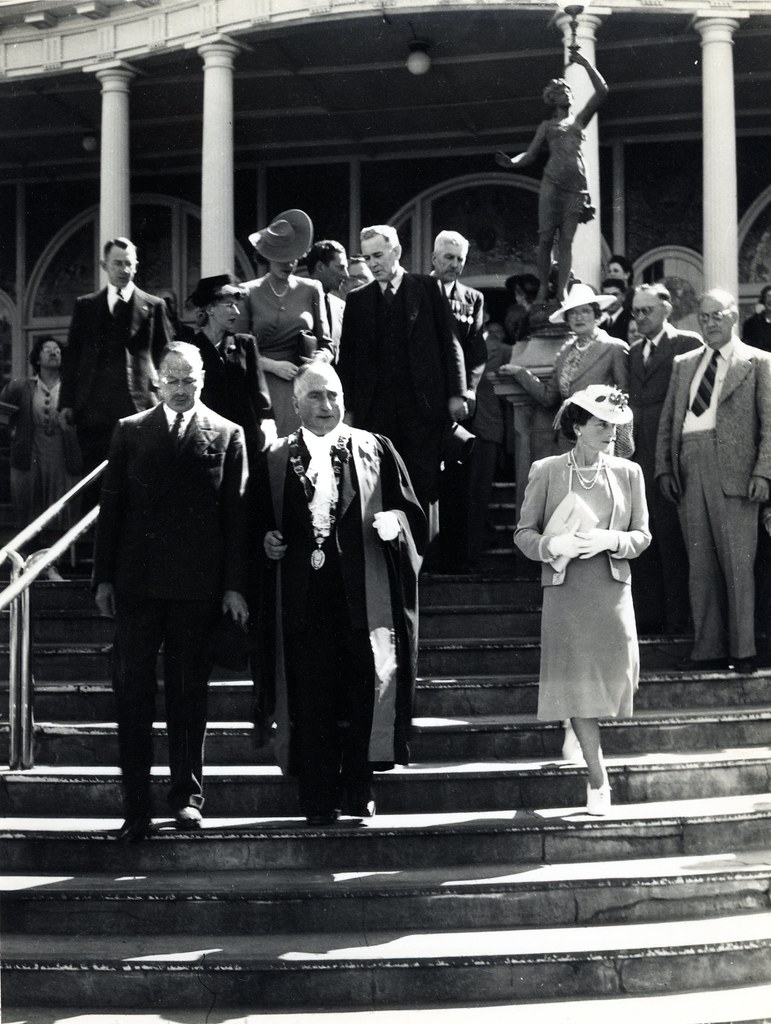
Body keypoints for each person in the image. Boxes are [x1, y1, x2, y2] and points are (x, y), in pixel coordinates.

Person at [255, 362, 427, 824]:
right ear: (294, 404)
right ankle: (317, 793)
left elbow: (413, 516)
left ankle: (359, 786)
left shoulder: (375, 448)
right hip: (304, 602)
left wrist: (398, 525)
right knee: (312, 700)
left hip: (362, 598)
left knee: (363, 695)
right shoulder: (273, 459)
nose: (326, 405)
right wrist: (266, 542)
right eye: (314, 396)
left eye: (333, 395)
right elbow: (256, 526)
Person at [92, 342, 249, 842]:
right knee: (133, 695)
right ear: (157, 381)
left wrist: (233, 586)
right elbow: (111, 509)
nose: (182, 390)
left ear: (203, 379)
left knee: (188, 695)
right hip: (138, 585)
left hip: (196, 588)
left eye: (190, 380)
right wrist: (103, 579)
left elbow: (237, 519)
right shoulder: (130, 431)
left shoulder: (228, 434)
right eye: (173, 380)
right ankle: (136, 806)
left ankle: (186, 798)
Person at [514, 385, 650, 815]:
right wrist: (554, 548)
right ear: (577, 427)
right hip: (566, 591)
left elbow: (642, 535)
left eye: (614, 425)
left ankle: (576, 724)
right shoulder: (548, 470)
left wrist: (612, 538)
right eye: (600, 424)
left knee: (609, 682)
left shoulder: (629, 472)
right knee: (575, 686)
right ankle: (598, 779)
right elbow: (524, 534)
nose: (610, 432)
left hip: (609, 591)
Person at [656, 288, 771, 673]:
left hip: (737, 474)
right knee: (699, 565)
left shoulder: (758, 362)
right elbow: (670, 421)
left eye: (716, 316)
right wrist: (665, 468)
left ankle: (743, 652)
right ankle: (707, 649)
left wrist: (763, 472)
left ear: (733, 317)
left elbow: (770, 425)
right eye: (703, 317)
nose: (708, 323)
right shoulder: (684, 363)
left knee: (739, 566)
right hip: (690, 466)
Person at [337, 224, 467, 515]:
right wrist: (347, 409)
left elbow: (451, 342)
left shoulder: (427, 288)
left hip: (423, 409)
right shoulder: (357, 299)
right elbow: (347, 358)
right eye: (368, 258)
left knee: (422, 486)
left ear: (396, 252)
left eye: (379, 255)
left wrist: (457, 394)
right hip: (375, 411)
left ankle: (424, 558)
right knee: (379, 486)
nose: (373, 264)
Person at [495, 50, 608, 305]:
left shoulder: (579, 121)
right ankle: (544, 290)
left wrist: (585, 63)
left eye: (568, 90)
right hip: (552, 183)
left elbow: (602, 91)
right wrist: (512, 162)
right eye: (561, 91)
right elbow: (531, 154)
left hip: (575, 187)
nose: (567, 93)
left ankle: (561, 293)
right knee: (546, 238)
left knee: (566, 242)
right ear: (552, 99)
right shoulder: (547, 126)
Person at [59, 237, 173, 476]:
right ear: (104, 266)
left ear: (136, 266)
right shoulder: (85, 305)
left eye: (129, 264)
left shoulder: (154, 306)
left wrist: (168, 400)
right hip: (92, 410)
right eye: (117, 263)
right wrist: (67, 402)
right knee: (94, 483)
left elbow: (165, 356)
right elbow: (73, 357)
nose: (124, 270)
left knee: (139, 479)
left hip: (139, 407)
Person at [627, 283, 702, 633]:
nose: (640, 317)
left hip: (671, 459)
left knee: (673, 541)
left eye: (647, 311)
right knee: (644, 537)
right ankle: (650, 618)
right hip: (637, 457)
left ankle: (678, 621)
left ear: (666, 310)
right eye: (636, 311)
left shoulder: (687, 346)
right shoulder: (632, 351)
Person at [498, 283, 630, 454]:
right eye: (573, 313)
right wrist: (520, 372)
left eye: (585, 311)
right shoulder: (564, 353)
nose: (579, 317)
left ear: (596, 316)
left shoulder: (614, 348)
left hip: (602, 438)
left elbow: (624, 396)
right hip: (569, 439)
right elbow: (548, 397)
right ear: (567, 320)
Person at [242, 209, 331, 436]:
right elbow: (238, 349)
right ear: (267, 257)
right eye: (281, 258)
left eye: (293, 257)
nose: (288, 263)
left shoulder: (311, 289)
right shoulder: (248, 292)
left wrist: (316, 361)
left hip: (305, 380)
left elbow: (327, 344)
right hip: (264, 383)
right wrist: (272, 365)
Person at [0, 336, 82, 579]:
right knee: (31, 509)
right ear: (37, 358)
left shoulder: (72, 387)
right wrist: (14, 434)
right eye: (47, 350)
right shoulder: (22, 386)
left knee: (59, 507)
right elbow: (2, 413)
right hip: (30, 454)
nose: (53, 353)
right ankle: (33, 563)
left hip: (62, 454)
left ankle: (54, 564)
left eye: (57, 350)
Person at [430, 229, 486, 571]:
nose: (453, 264)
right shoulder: (418, 289)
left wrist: (467, 391)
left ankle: (455, 559)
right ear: (434, 258)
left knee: (457, 481)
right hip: (424, 402)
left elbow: (476, 349)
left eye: (459, 259)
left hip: (458, 407)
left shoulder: (473, 298)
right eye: (448, 257)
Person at [188, 274, 275, 461]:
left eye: (236, 305)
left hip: (244, 437)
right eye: (229, 306)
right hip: (205, 437)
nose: (236, 312)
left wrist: (267, 423)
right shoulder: (189, 347)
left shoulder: (245, 344)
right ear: (210, 309)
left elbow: (259, 391)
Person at [467, 319, 512, 569]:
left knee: (479, 494)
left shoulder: (502, 350)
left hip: (487, 428)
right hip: (454, 430)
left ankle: (476, 553)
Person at [306, 239, 348, 360]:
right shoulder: (296, 302)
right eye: (340, 267)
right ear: (320, 267)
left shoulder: (341, 307)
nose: (346, 274)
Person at [503, 273, 539, 344]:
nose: (517, 297)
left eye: (519, 293)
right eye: (517, 293)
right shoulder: (518, 314)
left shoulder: (538, 314)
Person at [600, 277, 632, 342]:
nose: (611, 300)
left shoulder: (630, 319)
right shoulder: (599, 320)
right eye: (607, 295)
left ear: (623, 297)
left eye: (615, 295)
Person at [742, 284, 771, 351]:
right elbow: (746, 348)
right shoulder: (751, 324)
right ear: (763, 300)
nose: (770, 300)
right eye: (768, 297)